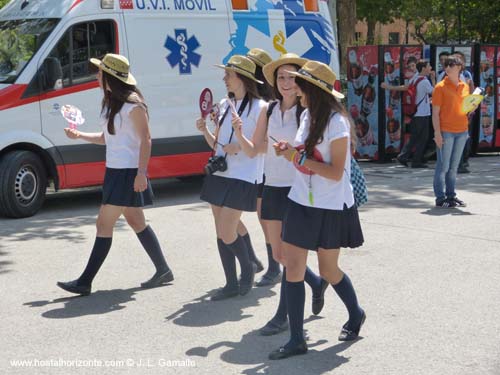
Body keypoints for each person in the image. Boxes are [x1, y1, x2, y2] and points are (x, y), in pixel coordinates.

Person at [268, 60, 365, 360]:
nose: (295, 88)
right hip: (300, 201)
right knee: (293, 266)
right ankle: (297, 339)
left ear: (313, 89)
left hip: (331, 206)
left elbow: (336, 172)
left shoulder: (337, 123)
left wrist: (298, 161)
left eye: (300, 83)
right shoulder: (308, 115)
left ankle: (356, 313)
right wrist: (289, 151)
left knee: (327, 270)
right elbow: (304, 155)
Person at [57, 53, 173, 296]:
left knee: (103, 223)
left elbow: (146, 140)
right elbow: (107, 138)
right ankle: (163, 269)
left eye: (100, 72)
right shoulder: (111, 103)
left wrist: (141, 173)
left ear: (110, 76)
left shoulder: (133, 105)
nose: (97, 75)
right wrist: (79, 136)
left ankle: (85, 281)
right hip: (116, 171)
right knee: (136, 221)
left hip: (128, 172)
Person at [233, 53, 329, 336]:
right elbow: (255, 149)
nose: (287, 82)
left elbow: (317, 151)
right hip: (272, 186)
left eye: (292, 77)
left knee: (290, 254)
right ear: (274, 81)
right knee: (281, 255)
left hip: (298, 189)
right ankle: (314, 282)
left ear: (301, 82)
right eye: (282, 77)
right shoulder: (270, 110)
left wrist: (294, 152)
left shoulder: (307, 111)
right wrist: (239, 132)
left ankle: (281, 316)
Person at [196, 55, 266, 300]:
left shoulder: (261, 108)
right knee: (220, 229)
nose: (224, 79)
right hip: (221, 173)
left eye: (228, 75)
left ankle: (247, 268)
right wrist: (206, 130)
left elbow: (258, 149)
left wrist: (240, 141)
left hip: (244, 176)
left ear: (242, 78)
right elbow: (218, 145)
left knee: (227, 230)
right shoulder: (226, 104)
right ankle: (230, 283)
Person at [245, 47, 281, 286]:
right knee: (262, 217)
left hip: (270, 169)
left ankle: (274, 266)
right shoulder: (252, 101)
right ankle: (266, 263)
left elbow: (267, 143)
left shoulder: (270, 104)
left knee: (267, 218)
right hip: (256, 168)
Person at [432, 55, 471, 208]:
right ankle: (440, 198)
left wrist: (472, 106)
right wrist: (437, 133)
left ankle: (451, 196)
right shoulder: (440, 87)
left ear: (459, 67)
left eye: (451, 65)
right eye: (446, 65)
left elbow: (464, 109)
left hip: (462, 130)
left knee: (453, 168)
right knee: (443, 166)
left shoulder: (465, 86)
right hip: (446, 130)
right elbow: (435, 113)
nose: (447, 68)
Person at [381, 59, 435, 168]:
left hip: (415, 112)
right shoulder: (425, 81)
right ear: (423, 68)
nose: (430, 68)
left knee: (415, 137)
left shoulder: (415, 79)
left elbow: (406, 88)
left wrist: (389, 87)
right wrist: (433, 79)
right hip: (422, 113)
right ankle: (416, 160)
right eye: (429, 66)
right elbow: (435, 92)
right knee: (423, 138)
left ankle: (404, 156)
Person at [453, 51, 474, 174]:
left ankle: (461, 162)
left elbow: (469, 92)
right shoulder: (453, 76)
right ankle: (458, 164)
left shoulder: (465, 75)